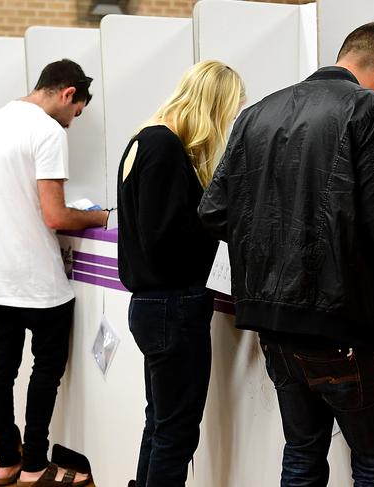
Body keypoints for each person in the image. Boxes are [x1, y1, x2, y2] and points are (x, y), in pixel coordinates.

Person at [198, 22, 374, 486]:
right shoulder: (373, 109)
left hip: (271, 323)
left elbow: (214, 211)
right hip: (343, 322)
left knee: (302, 452)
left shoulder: (256, 113)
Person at [0, 59, 108, 487]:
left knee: (2, 366)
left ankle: (5, 462)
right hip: (40, 282)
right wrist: (100, 217)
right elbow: (54, 215)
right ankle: (34, 465)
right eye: (78, 112)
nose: (72, 123)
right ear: (69, 93)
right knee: (45, 371)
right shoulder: (47, 131)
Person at [117, 60, 244, 487]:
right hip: (174, 305)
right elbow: (164, 239)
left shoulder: (144, 141)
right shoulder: (163, 147)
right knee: (175, 433)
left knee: (161, 424)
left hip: (155, 306)